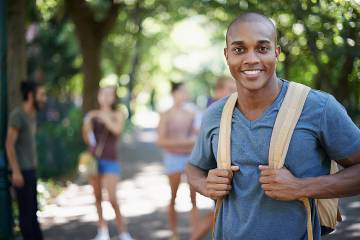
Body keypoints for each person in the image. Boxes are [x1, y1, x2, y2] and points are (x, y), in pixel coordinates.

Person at [185, 12, 360, 240]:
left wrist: (300, 187)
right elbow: (193, 168)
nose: (251, 59)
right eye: (239, 49)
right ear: (227, 55)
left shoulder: (318, 107)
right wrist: (204, 184)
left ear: (276, 52)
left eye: (262, 48)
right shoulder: (215, 115)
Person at [82, 86, 133, 240]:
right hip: (94, 161)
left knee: (112, 199)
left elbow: (117, 130)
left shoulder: (118, 114)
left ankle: (123, 232)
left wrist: (103, 116)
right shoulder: (91, 115)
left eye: (109, 95)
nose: (105, 97)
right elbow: (86, 138)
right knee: (97, 197)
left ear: (113, 98)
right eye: (103, 94)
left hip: (111, 161)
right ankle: (102, 231)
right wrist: (87, 122)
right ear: (98, 96)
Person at [157, 82, 199, 240]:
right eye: (181, 91)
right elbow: (161, 141)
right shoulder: (165, 114)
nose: (184, 95)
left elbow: (198, 138)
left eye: (185, 92)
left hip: (189, 158)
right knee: (173, 196)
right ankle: (174, 234)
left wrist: (176, 142)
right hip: (173, 159)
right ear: (173, 93)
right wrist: (185, 143)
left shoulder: (191, 113)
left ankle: (195, 232)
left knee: (193, 198)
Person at [6, 81, 46, 240]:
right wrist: (15, 171)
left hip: (31, 170)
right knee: (25, 216)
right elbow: (9, 145)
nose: (44, 98)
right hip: (20, 172)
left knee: (33, 213)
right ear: (31, 95)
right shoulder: (18, 115)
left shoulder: (32, 115)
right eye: (41, 94)